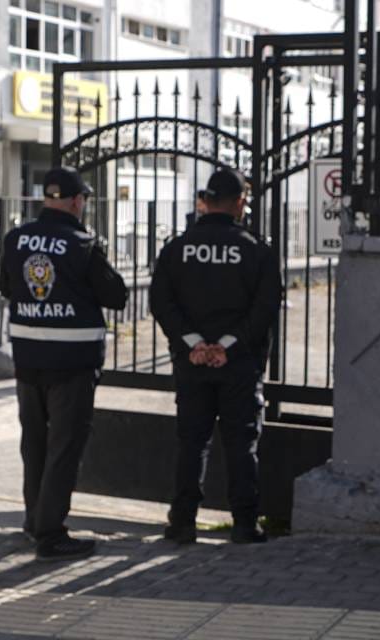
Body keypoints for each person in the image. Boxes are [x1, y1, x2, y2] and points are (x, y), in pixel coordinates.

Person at [0, 167, 128, 562]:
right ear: (76, 201)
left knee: (34, 444)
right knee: (64, 448)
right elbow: (116, 295)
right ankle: (51, 534)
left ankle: (34, 520)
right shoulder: (82, 244)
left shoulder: (16, 239)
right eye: (84, 199)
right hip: (72, 364)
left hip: (28, 362)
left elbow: (7, 288)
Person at [150, 169, 282, 545]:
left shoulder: (177, 248)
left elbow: (161, 301)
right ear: (240, 202)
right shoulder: (256, 250)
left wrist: (194, 344)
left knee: (192, 443)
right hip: (238, 363)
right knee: (241, 444)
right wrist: (227, 345)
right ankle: (244, 523)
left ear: (205, 201)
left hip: (191, 362)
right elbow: (265, 308)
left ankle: (182, 522)